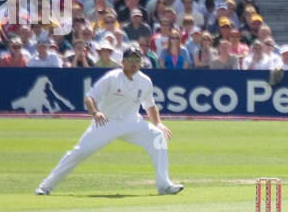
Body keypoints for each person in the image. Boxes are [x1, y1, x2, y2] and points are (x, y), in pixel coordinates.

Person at [35, 45, 183, 196]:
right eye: (130, 59)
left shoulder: (145, 81)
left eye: (137, 60)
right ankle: (45, 186)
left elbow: (149, 105)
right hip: (106, 122)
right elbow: (90, 97)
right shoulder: (112, 78)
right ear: (122, 62)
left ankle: (164, 185)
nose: (134, 63)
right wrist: (95, 112)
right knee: (79, 152)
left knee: (157, 136)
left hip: (131, 122)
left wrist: (157, 123)